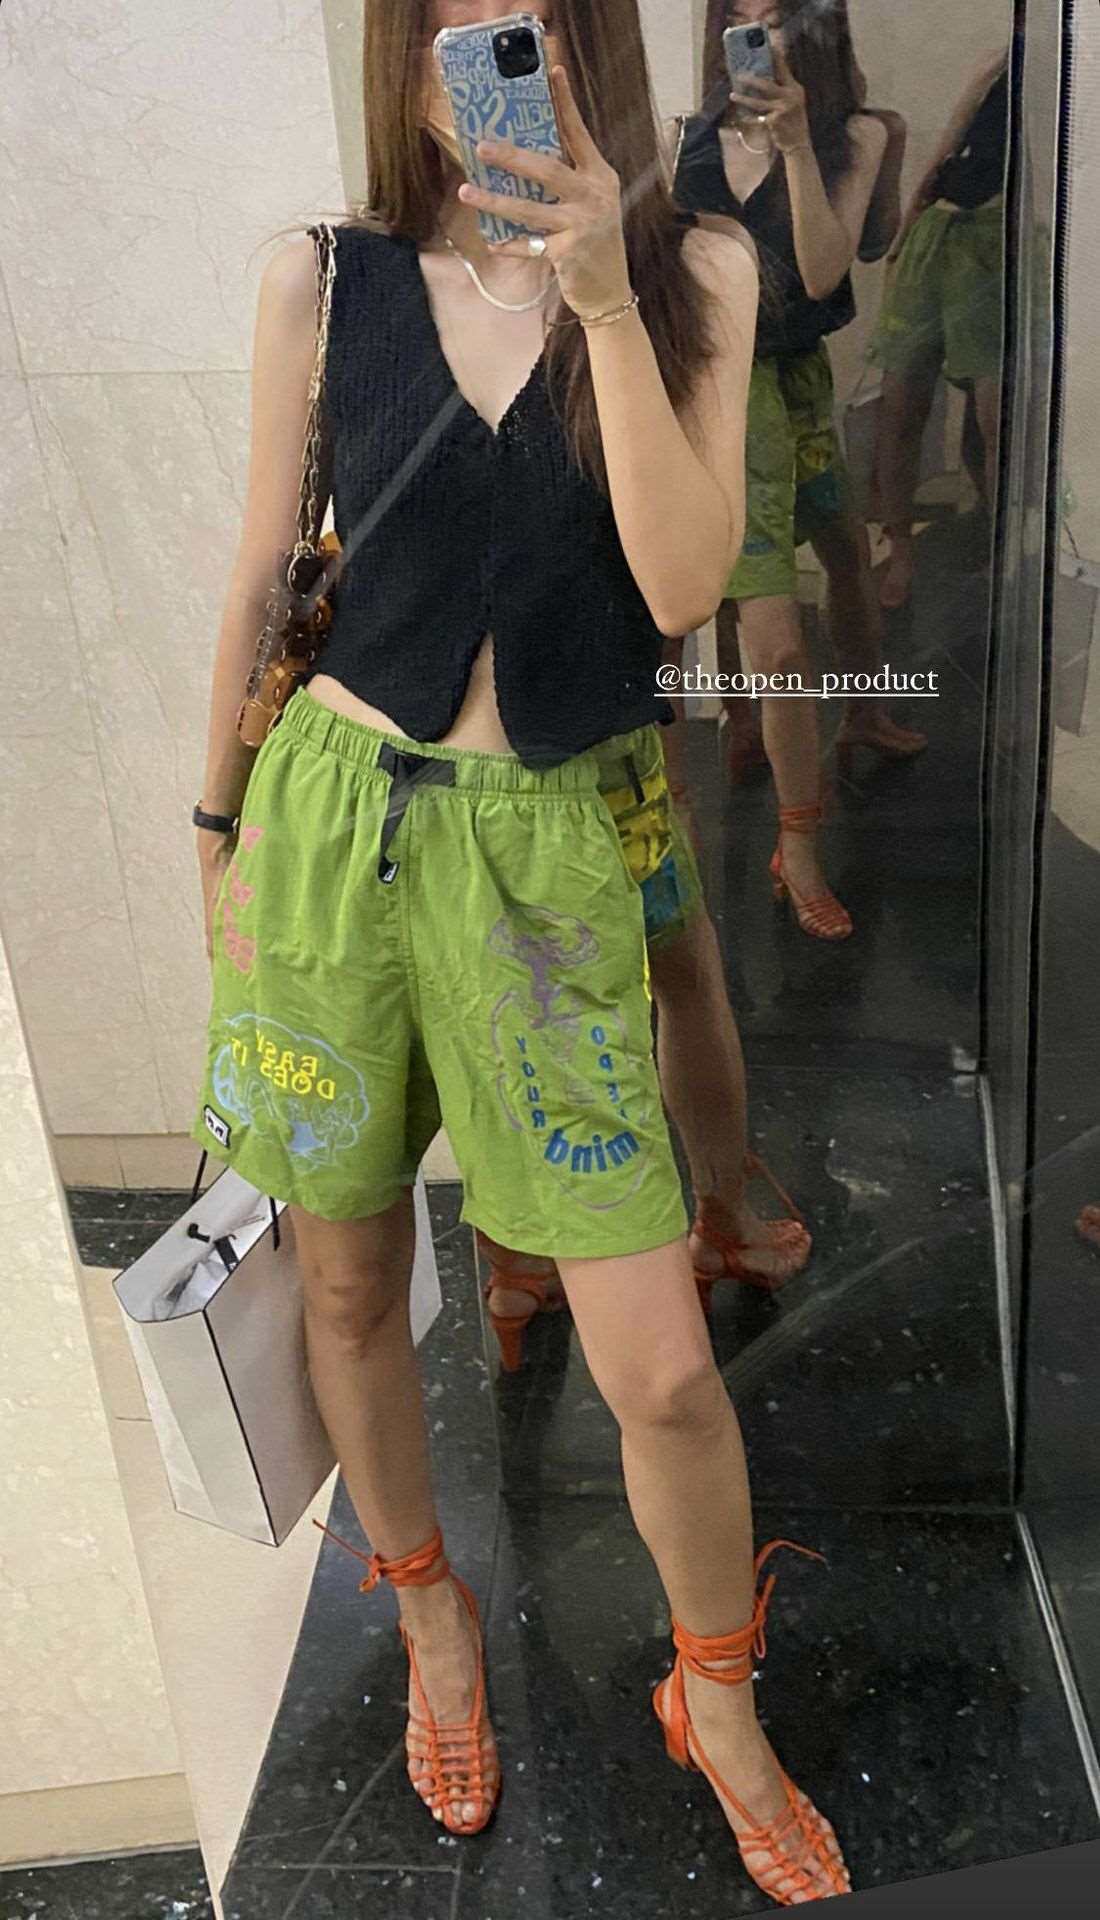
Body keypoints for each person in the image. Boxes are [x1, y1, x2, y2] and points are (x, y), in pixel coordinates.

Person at [190, 0, 849, 1902]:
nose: (482, 61)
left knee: (662, 1370)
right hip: (330, 827)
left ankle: (714, 1694)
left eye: (529, 20)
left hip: (548, 849)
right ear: (408, 54)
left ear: (586, 47)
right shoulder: (322, 279)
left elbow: (680, 583)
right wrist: (216, 824)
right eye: (450, 23)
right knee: (345, 1287)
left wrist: (603, 296)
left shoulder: (694, 270)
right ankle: (428, 1608)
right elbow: (264, 568)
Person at [677, 0, 927, 941]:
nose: (758, 36)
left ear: (814, 28)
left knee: (846, 558)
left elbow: (823, 273)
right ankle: (799, 838)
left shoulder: (855, 136)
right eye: (739, 17)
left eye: (777, 16)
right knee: (774, 634)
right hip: (723, 395)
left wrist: (792, 145)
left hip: (799, 385)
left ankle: (859, 714)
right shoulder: (692, 137)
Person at [870, 44, 1010, 609]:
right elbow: (947, 148)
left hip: (1000, 240)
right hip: (942, 230)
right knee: (901, 401)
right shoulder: (1002, 62)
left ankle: (1002, 551)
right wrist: (904, 237)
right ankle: (900, 549)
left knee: (995, 415)